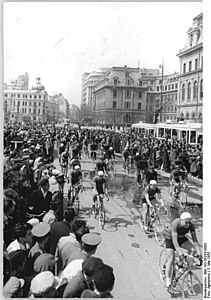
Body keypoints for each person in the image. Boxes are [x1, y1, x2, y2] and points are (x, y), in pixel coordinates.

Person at [162, 212, 202, 288]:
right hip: (170, 237)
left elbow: (195, 240)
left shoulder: (191, 226)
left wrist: (199, 254)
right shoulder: (176, 223)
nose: (188, 224)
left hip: (181, 237)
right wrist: (180, 254)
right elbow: (174, 241)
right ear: (181, 220)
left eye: (189, 222)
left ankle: (181, 267)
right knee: (171, 259)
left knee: (193, 250)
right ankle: (168, 279)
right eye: (186, 222)